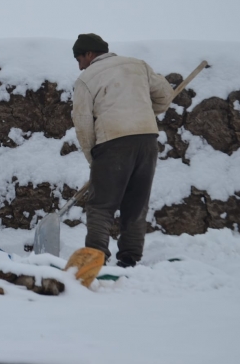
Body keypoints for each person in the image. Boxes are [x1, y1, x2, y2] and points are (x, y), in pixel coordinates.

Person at [71, 33, 173, 267]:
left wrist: (93, 157)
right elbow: (165, 95)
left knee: (101, 205)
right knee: (136, 202)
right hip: (147, 140)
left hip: (112, 142)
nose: (79, 66)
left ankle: (95, 257)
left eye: (79, 59)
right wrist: (143, 111)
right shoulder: (138, 66)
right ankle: (129, 257)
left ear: (89, 54)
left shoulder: (86, 79)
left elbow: (83, 123)